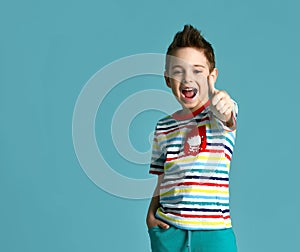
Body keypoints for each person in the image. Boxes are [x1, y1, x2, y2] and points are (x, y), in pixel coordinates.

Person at [146, 24, 238, 252]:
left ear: (211, 76)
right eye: (178, 71)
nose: (188, 78)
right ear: (168, 79)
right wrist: (150, 216)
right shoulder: (163, 127)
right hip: (169, 232)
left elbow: (228, 116)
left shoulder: (219, 115)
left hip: (214, 234)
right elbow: (162, 178)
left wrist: (223, 102)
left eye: (197, 70)